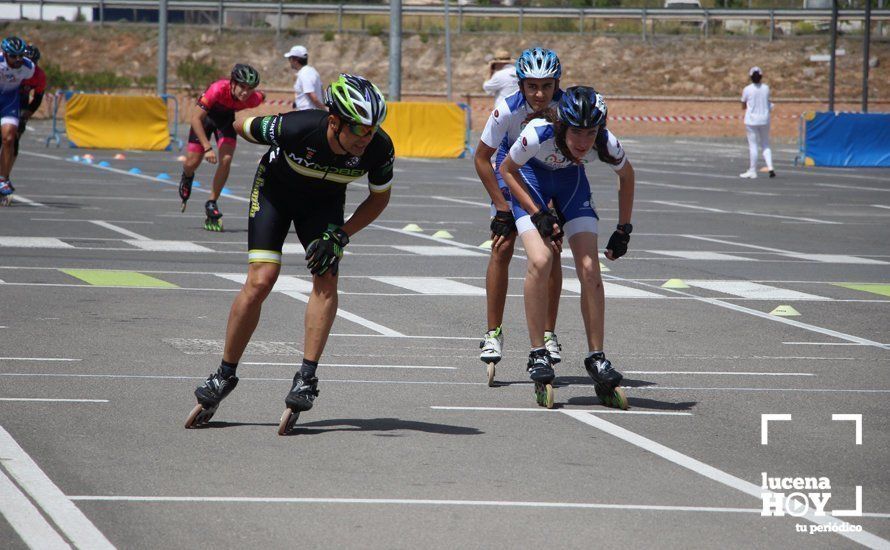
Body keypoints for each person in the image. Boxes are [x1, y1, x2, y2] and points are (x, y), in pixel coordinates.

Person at [184, 74, 395, 435]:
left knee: (326, 276)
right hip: (275, 195)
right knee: (262, 280)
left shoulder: (379, 148)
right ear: (334, 120)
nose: (366, 137)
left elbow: (379, 197)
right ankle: (224, 374)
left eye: (372, 129)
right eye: (358, 128)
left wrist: (342, 235)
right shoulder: (297, 127)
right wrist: (223, 129)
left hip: (324, 204)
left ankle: (307, 377)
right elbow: (240, 124)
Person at [499, 86, 635, 410]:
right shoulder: (537, 132)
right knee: (541, 259)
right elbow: (506, 169)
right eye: (577, 132)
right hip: (532, 180)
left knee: (590, 267)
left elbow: (627, 175)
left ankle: (596, 357)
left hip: (572, 184)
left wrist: (624, 229)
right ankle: (537, 352)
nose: (584, 142)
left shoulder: (605, 142)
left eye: (591, 133)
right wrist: (537, 212)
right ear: (563, 126)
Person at [473, 47, 565, 384]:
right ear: (521, 85)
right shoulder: (506, 110)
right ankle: (493, 331)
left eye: (547, 86)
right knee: (502, 245)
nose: (540, 94)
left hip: (548, 175)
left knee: (552, 248)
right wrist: (500, 207)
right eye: (532, 87)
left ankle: (549, 332)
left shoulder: (565, 108)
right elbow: (482, 159)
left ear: (557, 84)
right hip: (509, 171)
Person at [178, 63, 265, 230]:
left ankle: (212, 201)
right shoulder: (217, 89)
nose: (245, 92)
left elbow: (262, 96)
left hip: (225, 121)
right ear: (232, 83)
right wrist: (207, 147)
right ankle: (187, 176)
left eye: (250, 88)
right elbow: (195, 119)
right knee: (192, 162)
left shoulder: (253, 99)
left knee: (226, 160)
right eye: (242, 86)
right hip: (204, 120)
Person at [0, 36, 35, 206]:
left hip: (9, 102)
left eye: (21, 55)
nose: (18, 60)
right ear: (5, 54)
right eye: (14, 56)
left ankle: (3, 179)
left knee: (9, 138)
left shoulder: (28, 68)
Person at [740, 66, 774, 179]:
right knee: (765, 144)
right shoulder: (766, 88)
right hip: (765, 119)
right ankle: (770, 167)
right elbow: (769, 102)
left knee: (753, 146)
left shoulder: (747, 89)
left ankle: (752, 170)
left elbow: (743, 105)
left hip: (752, 120)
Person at [15, 44, 46, 161]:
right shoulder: (10, 68)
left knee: (14, 138)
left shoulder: (39, 75)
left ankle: (4, 175)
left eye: (33, 62)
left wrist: (25, 116)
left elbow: (38, 98)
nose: (30, 66)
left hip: (22, 101)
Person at [284, 45, 325, 111]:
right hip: (312, 113)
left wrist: (324, 111)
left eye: (289, 58)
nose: (289, 61)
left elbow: (313, 97)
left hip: (307, 115)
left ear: (295, 60)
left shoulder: (304, 74)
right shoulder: (312, 70)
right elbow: (321, 91)